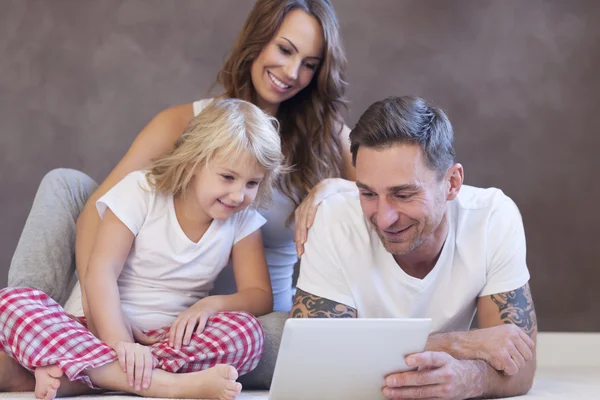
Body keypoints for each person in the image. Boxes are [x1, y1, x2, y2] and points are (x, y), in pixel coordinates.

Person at [5, 0, 355, 390]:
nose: (292, 72)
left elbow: (372, 200)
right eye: (285, 49)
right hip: (127, 304)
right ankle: (50, 340)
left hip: (224, 323)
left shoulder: (328, 137)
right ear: (257, 41)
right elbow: (97, 217)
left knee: (268, 334)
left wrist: (334, 186)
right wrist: (110, 324)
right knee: (64, 184)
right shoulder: (183, 123)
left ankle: (79, 367)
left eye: (310, 63)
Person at [1, 98, 284, 400]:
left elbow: (259, 295)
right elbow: (101, 272)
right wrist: (122, 344)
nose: (238, 194)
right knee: (10, 303)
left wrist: (210, 305)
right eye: (227, 177)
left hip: (169, 340)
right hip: (94, 329)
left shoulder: (242, 221)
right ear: (192, 163)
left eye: (252, 183)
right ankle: (166, 385)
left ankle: (91, 377)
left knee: (248, 333)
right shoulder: (141, 190)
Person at [291, 96, 538, 399]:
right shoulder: (331, 218)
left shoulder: (492, 218)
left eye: (404, 195)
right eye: (368, 193)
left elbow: (521, 366)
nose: (384, 218)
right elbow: (311, 358)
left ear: (452, 183)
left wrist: (470, 378)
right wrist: (459, 344)